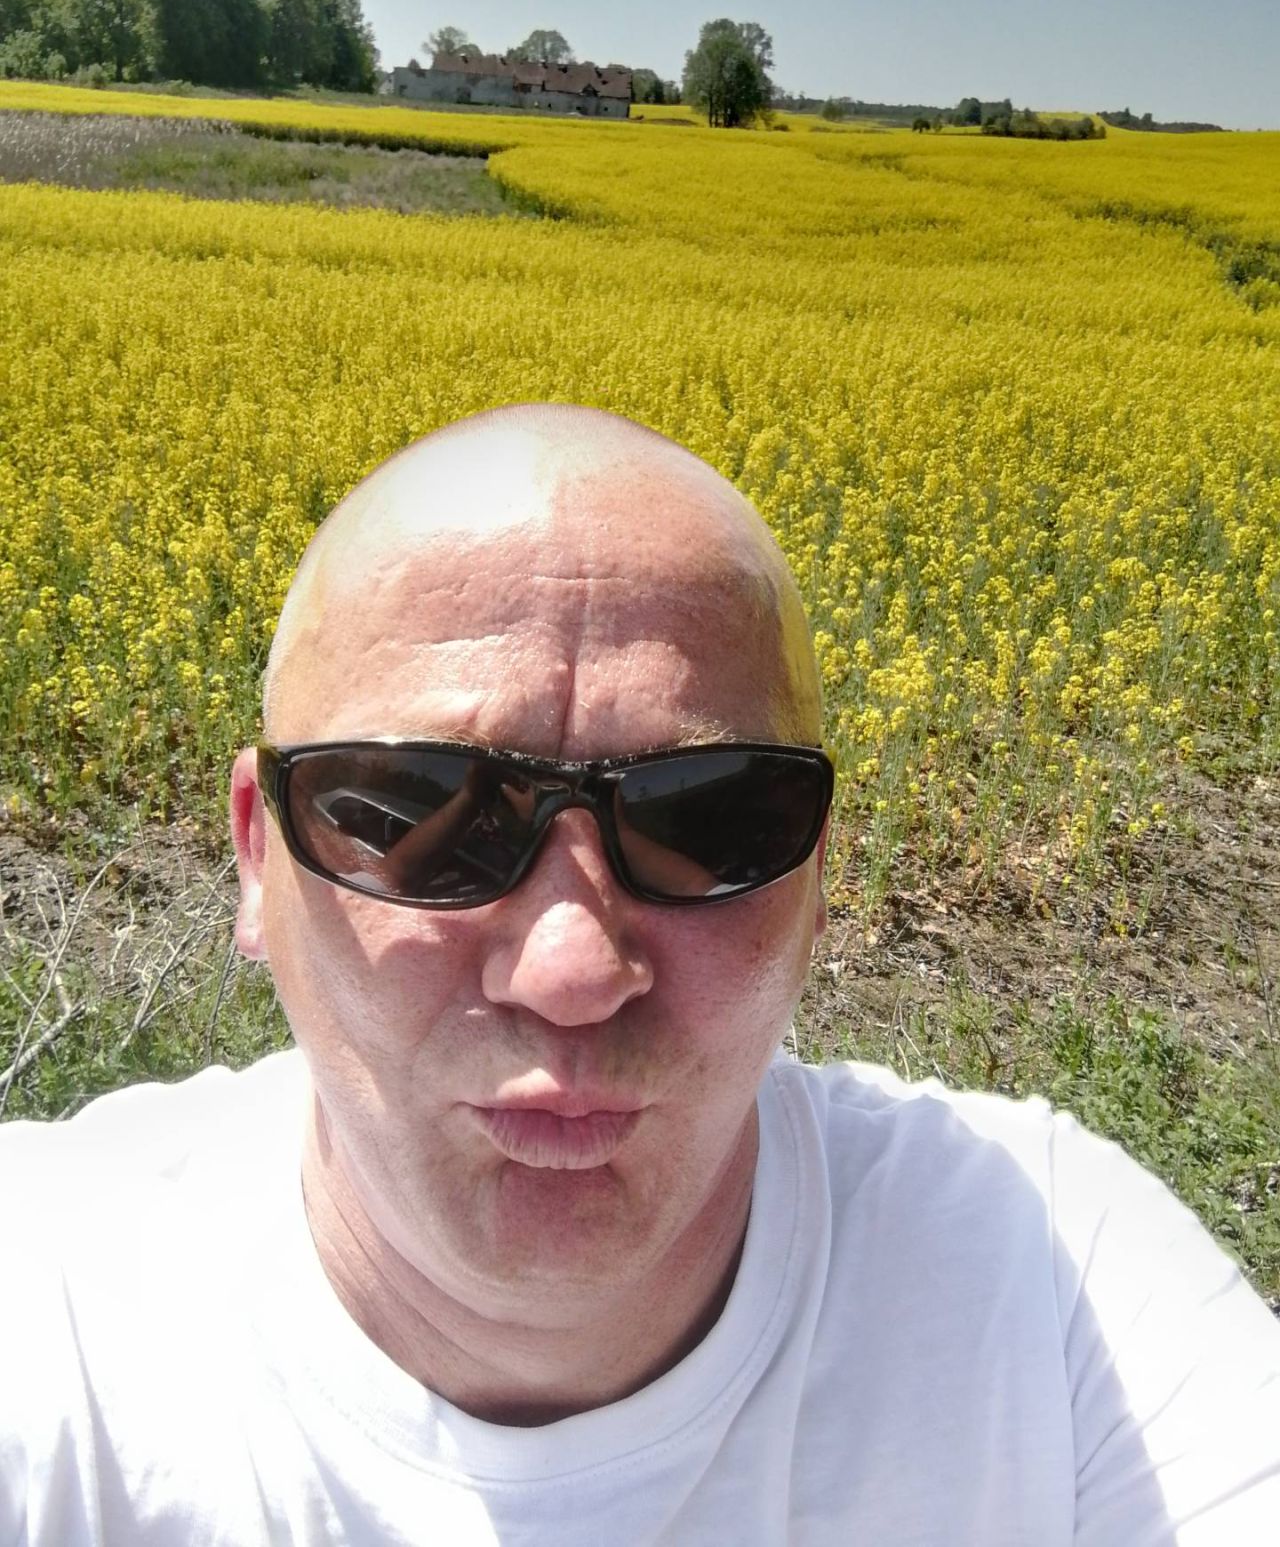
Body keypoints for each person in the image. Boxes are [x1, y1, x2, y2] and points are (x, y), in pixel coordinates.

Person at [1, 402, 1278, 1546]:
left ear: (819, 876)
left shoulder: (1053, 1290)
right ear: (253, 857)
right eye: (416, 811)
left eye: (710, 818)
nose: (569, 970)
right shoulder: (45, 1314)